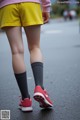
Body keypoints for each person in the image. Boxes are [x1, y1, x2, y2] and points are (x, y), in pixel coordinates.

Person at [0, 0, 53, 112]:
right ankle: (39, 87)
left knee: (16, 52)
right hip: (31, 4)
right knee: (35, 47)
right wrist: (46, 7)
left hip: (7, 6)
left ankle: (25, 100)